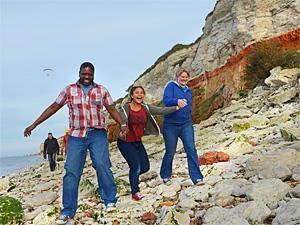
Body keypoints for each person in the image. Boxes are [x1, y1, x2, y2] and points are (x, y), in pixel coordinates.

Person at [24, 62, 127, 225]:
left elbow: (112, 108)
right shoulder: (69, 90)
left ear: (93, 74)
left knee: (101, 164)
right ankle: (68, 211)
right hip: (76, 136)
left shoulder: (102, 90)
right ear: (79, 73)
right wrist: (34, 125)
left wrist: (122, 124)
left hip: (97, 133)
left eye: (89, 74)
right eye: (84, 74)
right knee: (71, 171)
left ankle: (109, 200)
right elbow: (53, 107)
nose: (86, 77)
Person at [117, 86, 181, 201]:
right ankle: (135, 192)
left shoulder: (145, 108)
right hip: (125, 142)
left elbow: (161, 110)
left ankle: (133, 176)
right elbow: (121, 120)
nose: (139, 95)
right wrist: (123, 128)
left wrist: (177, 107)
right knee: (136, 166)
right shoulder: (125, 108)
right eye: (137, 93)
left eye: (142, 93)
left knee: (145, 167)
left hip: (137, 142)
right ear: (132, 95)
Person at [160, 68, 204, 185]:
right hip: (170, 125)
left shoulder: (188, 91)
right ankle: (165, 175)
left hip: (186, 124)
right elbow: (166, 100)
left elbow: (188, 105)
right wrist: (177, 101)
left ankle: (197, 178)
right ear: (177, 77)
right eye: (182, 76)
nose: (184, 79)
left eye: (186, 77)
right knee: (170, 151)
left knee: (191, 149)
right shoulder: (171, 86)